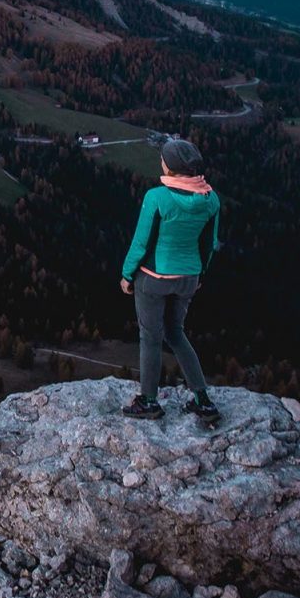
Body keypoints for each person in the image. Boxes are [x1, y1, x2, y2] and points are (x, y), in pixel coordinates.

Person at [119, 137, 222, 421]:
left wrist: (127, 275)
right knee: (176, 333)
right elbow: (208, 243)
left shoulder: (158, 197)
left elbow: (141, 242)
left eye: (163, 158)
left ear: (170, 167)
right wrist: (200, 275)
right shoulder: (211, 199)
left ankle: (149, 401)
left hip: (154, 278)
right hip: (188, 277)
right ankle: (203, 400)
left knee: (150, 337)